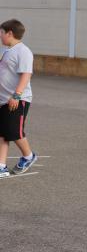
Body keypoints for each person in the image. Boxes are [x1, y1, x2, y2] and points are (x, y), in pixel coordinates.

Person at [0, 19, 37, 177]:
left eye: (1, 33)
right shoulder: (8, 51)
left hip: (17, 100)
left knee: (14, 132)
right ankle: (1, 167)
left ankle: (29, 156)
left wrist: (16, 95)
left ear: (10, 33)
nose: (0, 36)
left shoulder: (23, 51)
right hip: (3, 100)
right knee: (2, 133)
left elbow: (26, 75)